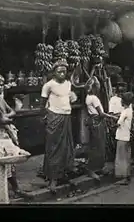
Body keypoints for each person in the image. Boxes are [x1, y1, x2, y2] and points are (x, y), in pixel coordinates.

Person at [0, 73, 27, 198]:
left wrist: (9, 116)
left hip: (6, 130)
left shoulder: (1, 100)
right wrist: (10, 115)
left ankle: (15, 188)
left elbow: (10, 112)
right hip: (0, 133)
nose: (0, 87)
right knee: (4, 162)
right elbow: (4, 119)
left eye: (2, 85)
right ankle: (11, 189)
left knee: (10, 162)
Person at [40, 59, 77, 193]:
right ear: (54, 72)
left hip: (66, 116)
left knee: (66, 146)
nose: (62, 73)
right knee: (53, 146)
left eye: (64, 71)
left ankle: (63, 174)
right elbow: (42, 104)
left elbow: (69, 98)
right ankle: (52, 178)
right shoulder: (48, 85)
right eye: (59, 71)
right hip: (53, 117)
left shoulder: (68, 83)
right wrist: (44, 117)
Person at [84, 76, 108, 180]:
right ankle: (92, 169)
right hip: (97, 122)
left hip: (94, 122)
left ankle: (97, 167)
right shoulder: (94, 98)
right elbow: (101, 114)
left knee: (96, 145)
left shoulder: (88, 97)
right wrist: (112, 116)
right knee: (98, 145)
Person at [114, 92, 134, 185]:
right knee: (126, 157)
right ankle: (128, 176)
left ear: (124, 101)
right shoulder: (129, 110)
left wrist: (114, 123)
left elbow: (118, 123)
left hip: (121, 136)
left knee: (121, 158)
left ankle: (124, 177)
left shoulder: (124, 112)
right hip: (127, 136)